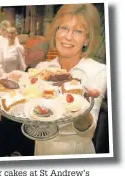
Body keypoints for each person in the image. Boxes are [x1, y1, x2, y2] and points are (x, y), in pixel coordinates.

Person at [34, 4, 107, 155]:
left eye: (78, 31)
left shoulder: (99, 71)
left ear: (87, 40)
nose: (68, 36)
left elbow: (87, 131)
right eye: (64, 28)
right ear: (56, 31)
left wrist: (80, 105)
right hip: (41, 151)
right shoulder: (42, 68)